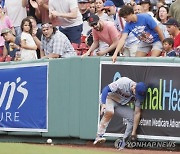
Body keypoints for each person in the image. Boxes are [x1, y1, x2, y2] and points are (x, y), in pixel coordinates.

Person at [93, 77, 148, 150]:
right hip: (108, 98)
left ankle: (123, 143)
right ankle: (99, 136)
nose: (137, 95)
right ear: (134, 87)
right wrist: (103, 104)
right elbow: (106, 89)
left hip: (120, 104)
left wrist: (133, 132)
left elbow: (137, 113)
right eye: (137, 93)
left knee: (132, 118)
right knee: (110, 111)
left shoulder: (139, 94)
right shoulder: (123, 82)